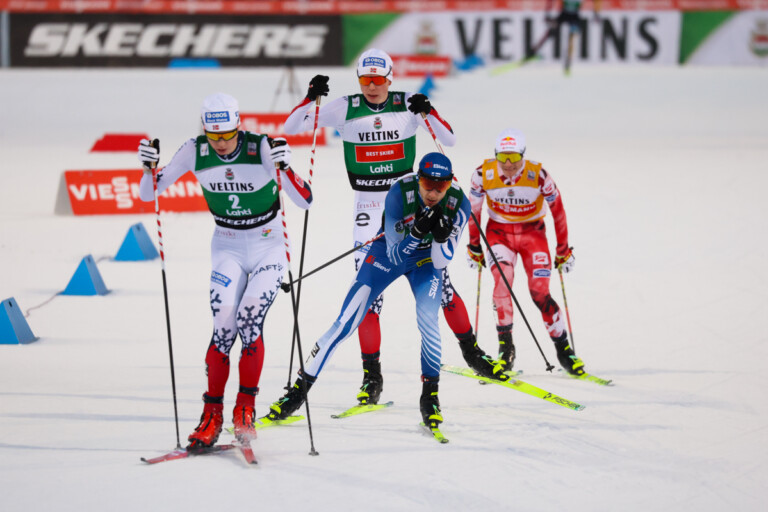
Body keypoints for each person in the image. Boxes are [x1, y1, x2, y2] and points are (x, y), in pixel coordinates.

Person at [283, 48, 503, 406]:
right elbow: (291, 128)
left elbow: (448, 141)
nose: (372, 87)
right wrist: (311, 97)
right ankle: (372, 376)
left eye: (379, 80)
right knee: (368, 299)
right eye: (365, 80)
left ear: (390, 78)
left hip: (412, 202)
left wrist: (428, 110)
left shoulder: (406, 105)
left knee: (441, 286)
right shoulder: (345, 107)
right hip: (369, 208)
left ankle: (472, 352)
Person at [136, 92, 313, 450]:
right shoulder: (194, 150)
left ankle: (244, 409)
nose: (220, 144)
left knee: (250, 321)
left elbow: (306, 200)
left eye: (227, 135)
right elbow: (148, 193)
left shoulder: (260, 146)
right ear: (204, 130)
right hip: (228, 245)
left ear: (238, 126)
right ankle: (211, 414)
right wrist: (147, 168)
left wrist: (285, 166)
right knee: (223, 330)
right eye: (213, 136)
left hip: (268, 245)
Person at [264, 152, 471, 429]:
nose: (433, 193)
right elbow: (396, 254)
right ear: (418, 178)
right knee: (345, 323)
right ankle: (297, 393)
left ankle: (429, 397)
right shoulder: (400, 191)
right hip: (388, 255)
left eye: (441, 187)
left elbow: (441, 261)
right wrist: (418, 232)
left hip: (425, 262)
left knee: (428, 320)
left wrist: (441, 238)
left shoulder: (459, 203)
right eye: (427, 184)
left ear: (449, 184)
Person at [466, 128, 585, 376]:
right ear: (495, 156)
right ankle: (505, 351)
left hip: (533, 235)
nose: (509, 165)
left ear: (523, 155)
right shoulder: (482, 174)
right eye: (502, 158)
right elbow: (473, 211)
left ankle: (564, 351)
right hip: (499, 235)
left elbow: (558, 211)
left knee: (539, 292)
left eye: (515, 158)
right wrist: (474, 245)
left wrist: (563, 249)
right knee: (502, 285)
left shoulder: (539, 175)